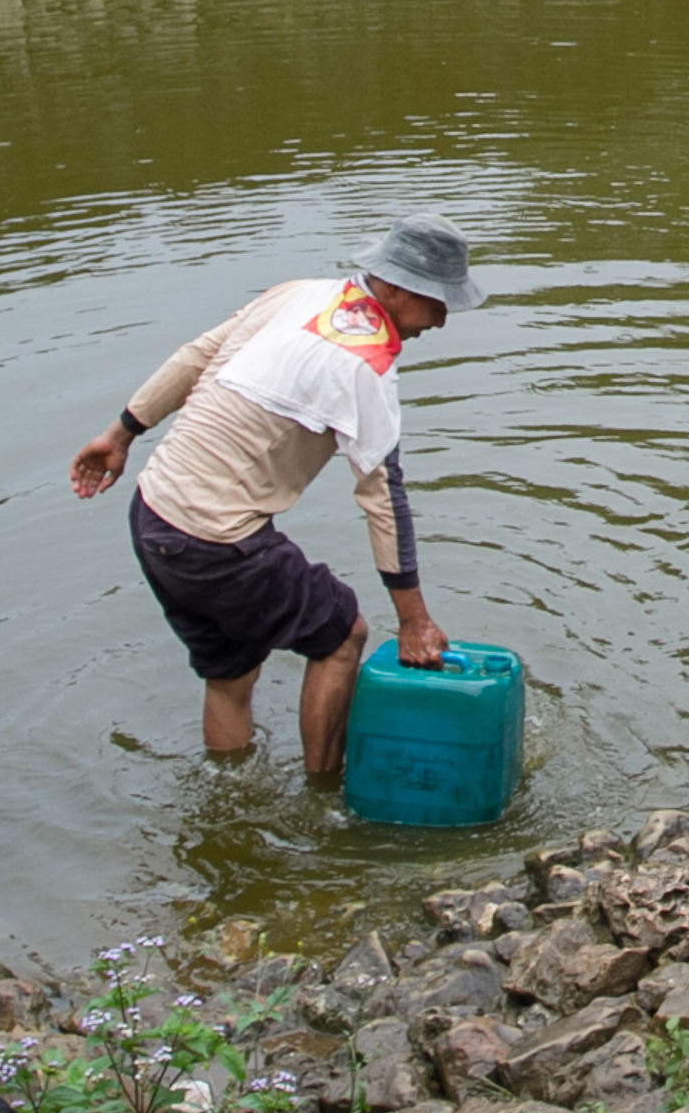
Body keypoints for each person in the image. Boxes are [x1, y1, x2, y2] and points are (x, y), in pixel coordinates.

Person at [69, 216, 486, 775]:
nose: (441, 320)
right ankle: (324, 793)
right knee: (342, 633)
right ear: (394, 287)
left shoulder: (298, 294)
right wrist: (413, 621)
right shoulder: (366, 364)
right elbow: (383, 497)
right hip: (214, 541)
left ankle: (229, 788)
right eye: (436, 303)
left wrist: (120, 435)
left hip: (153, 512)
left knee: (231, 670)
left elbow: (195, 355)